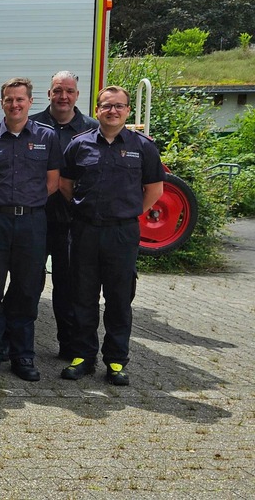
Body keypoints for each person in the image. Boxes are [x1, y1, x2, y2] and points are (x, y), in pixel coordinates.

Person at [59, 86, 164, 386]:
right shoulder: (79, 145)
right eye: (106, 106)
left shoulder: (142, 146)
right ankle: (82, 356)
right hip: (85, 231)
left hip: (121, 233)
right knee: (82, 296)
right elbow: (66, 185)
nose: (112, 111)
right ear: (97, 110)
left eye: (119, 106)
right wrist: (85, 210)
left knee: (119, 298)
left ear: (128, 111)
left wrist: (127, 212)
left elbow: (154, 191)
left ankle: (116, 361)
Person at [0, 78, 62, 381]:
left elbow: (52, 182)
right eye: (9, 100)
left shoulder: (47, 137)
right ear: (2, 103)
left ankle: (23, 356)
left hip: (32, 222)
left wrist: (27, 203)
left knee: (26, 290)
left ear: (30, 102)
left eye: (20, 100)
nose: (15, 105)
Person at [30, 71, 99, 360]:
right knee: (28, 283)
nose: (63, 97)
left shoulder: (91, 129)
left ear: (77, 95)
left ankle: (70, 347)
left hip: (71, 222)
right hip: (34, 218)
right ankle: (17, 346)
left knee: (68, 287)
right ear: (49, 94)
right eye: (58, 90)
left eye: (69, 91)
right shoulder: (31, 125)